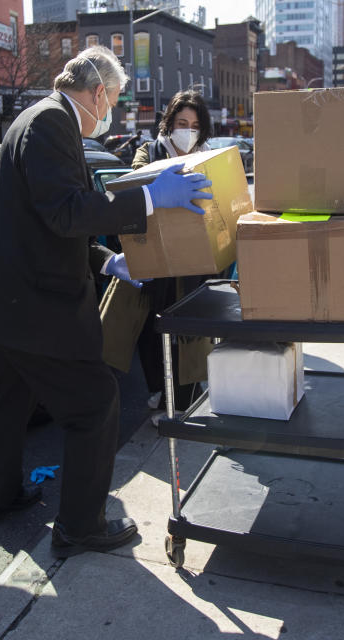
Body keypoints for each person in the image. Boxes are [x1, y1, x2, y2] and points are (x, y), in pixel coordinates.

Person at [0, 46, 212, 558]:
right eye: (114, 99)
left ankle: (1, 492)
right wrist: (147, 198)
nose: (112, 109)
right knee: (95, 403)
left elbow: (44, 221)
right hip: (30, 303)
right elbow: (68, 213)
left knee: (9, 399)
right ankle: (78, 526)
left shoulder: (35, 119)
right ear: (99, 92)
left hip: (1, 298)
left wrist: (105, 261)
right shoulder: (53, 124)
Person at [129, 90, 214, 415]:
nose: (188, 131)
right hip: (159, 262)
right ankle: (162, 393)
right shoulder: (149, 152)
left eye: (194, 125)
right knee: (154, 332)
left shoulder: (209, 158)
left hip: (197, 264)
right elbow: (136, 184)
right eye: (182, 123)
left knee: (191, 334)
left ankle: (182, 398)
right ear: (169, 123)